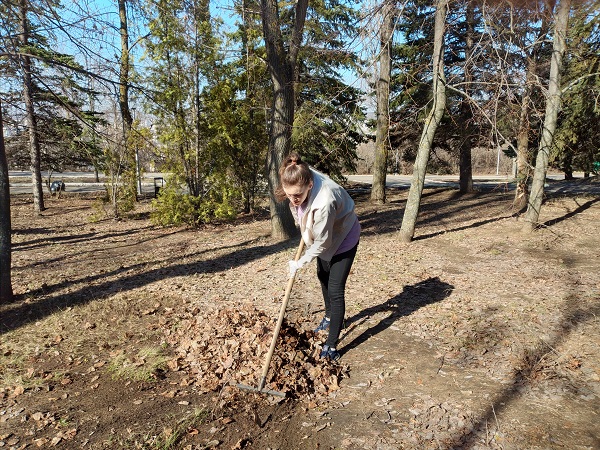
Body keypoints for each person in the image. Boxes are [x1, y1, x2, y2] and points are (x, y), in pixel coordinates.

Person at [275, 153, 360, 362]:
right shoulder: (297, 174)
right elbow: (300, 212)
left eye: (298, 195)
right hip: (324, 233)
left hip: (344, 236)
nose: (293, 199)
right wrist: (303, 226)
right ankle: (330, 317)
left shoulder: (325, 200)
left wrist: (301, 261)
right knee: (322, 275)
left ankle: (331, 345)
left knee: (335, 288)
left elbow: (323, 242)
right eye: (289, 194)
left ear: (310, 185)